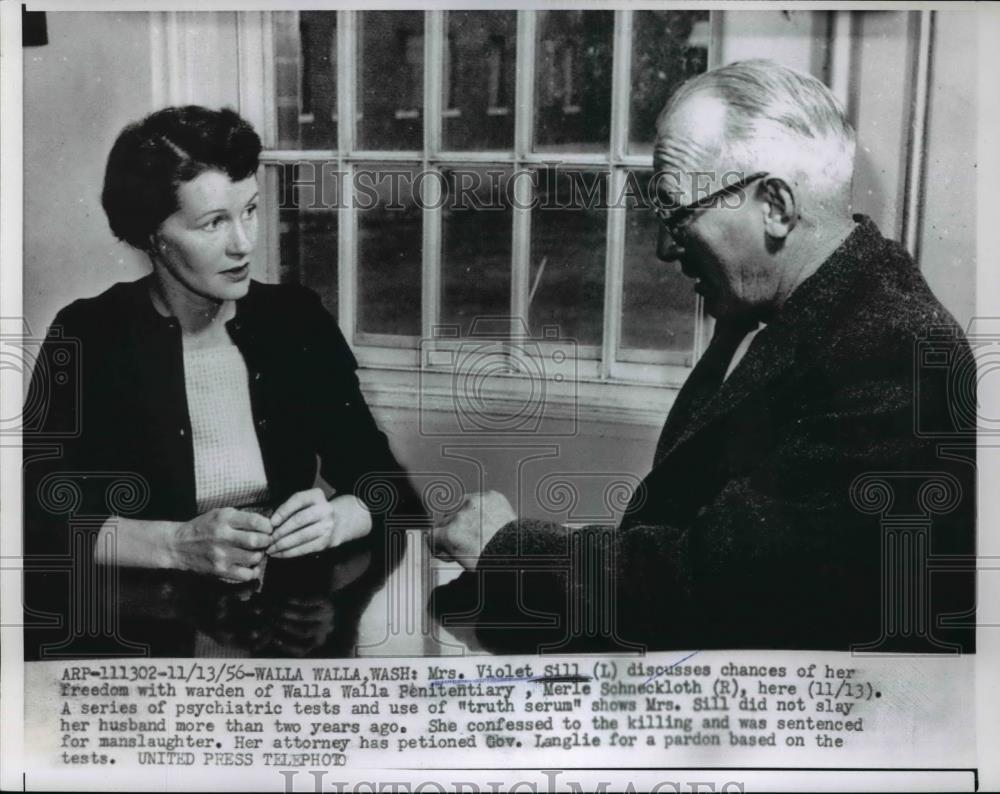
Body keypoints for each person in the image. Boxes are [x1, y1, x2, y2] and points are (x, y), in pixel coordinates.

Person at [430, 60, 976, 653]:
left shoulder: (894, 350)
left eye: (679, 212)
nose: (667, 248)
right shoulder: (805, 308)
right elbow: (692, 529)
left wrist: (507, 547)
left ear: (775, 205)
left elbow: (717, 587)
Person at [23, 106, 420, 587]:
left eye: (249, 210)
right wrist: (174, 544)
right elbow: (32, 517)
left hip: (284, 621)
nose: (243, 244)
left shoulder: (295, 320)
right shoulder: (90, 333)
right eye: (213, 223)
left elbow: (385, 484)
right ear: (151, 235)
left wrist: (340, 518)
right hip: (144, 626)